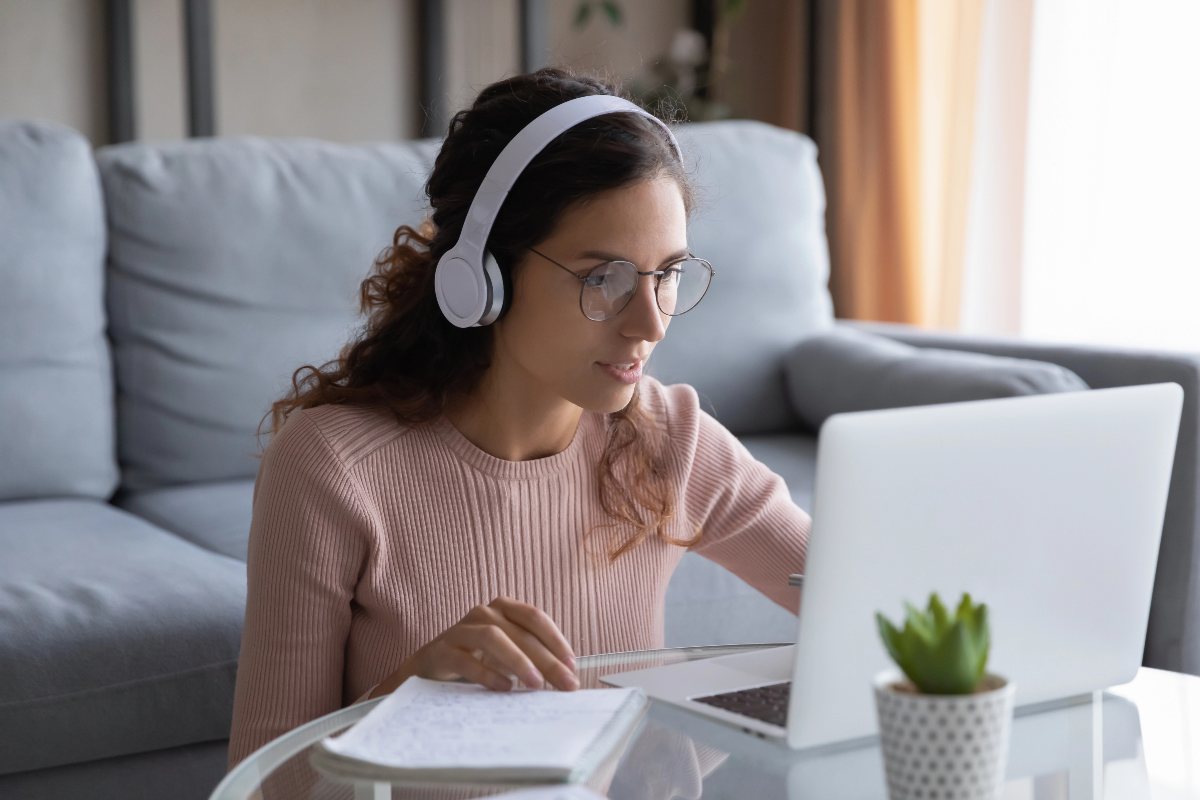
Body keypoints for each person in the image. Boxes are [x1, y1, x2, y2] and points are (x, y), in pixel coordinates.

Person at [226, 67, 811, 770]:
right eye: (605, 278)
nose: (651, 324)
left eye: (668, 274)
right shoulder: (333, 467)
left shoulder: (671, 439)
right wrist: (407, 698)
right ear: (482, 276)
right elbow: (266, 784)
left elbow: (871, 600)